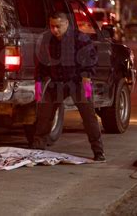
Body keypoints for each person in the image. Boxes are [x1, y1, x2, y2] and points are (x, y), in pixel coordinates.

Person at [33, 11, 106, 162]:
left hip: (78, 82)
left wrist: (86, 87)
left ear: (66, 24)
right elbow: (41, 65)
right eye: (52, 26)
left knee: (89, 116)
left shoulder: (80, 38)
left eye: (58, 27)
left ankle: (99, 152)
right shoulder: (47, 40)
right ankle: (37, 149)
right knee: (43, 114)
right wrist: (39, 88)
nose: (55, 30)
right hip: (56, 83)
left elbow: (91, 59)